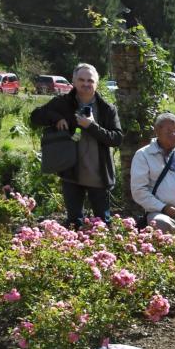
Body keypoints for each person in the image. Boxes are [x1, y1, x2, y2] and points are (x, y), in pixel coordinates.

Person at [30, 62, 122, 227]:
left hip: (99, 175)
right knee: (74, 224)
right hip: (71, 173)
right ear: (73, 81)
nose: (86, 84)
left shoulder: (107, 109)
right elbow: (35, 116)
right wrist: (56, 118)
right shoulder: (63, 102)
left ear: (97, 83)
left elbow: (116, 139)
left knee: (102, 224)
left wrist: (91, 126)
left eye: (90, 80)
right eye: (81, 80)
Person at [130, 112, 175, 233]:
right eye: (169, 131)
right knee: (160, 223)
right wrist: (163, 207)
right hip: (161, 212)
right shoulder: (143, 155)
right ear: (157, 131)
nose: (173, 135)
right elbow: (139, 191)